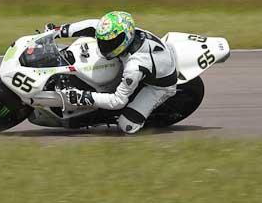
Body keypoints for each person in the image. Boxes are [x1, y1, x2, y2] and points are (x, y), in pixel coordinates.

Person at [45, 11, 177, 134]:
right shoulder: (117, 34)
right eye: (102, 41)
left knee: (126, 126)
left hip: (159, 86)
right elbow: (90, 25)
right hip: (146, 62)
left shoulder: (134, 66)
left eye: (110, 42)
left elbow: (118, 101)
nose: (104, 46)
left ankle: (110, 116)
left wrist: (83, 97)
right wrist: (57, 31)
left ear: (126, 37)